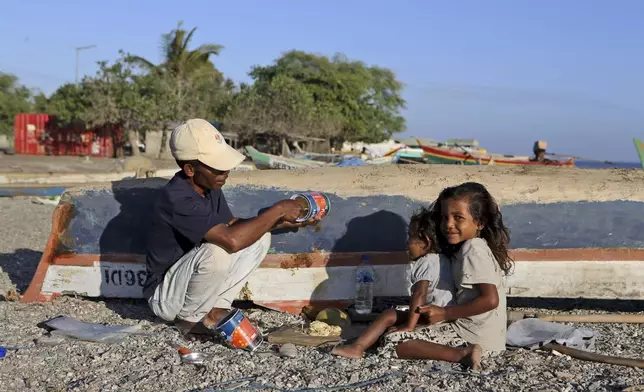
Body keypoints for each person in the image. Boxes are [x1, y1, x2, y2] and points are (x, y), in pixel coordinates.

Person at [143, 119, 317, 340]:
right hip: (166, 297)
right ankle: (188, 320)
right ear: (189, 169)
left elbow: (232, 226)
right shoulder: (178, 198)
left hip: (188, 285)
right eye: (217, 167)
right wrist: (278, 209)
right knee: (218, 251)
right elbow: (231, 240)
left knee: (260, 237)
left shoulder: (207, 186)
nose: (225, 171)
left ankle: (215, 309)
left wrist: (284, 221)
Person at [395, 182, 513, 370]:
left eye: (458, 217)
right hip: (475, 332)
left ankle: (464, 354)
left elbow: (491, 300)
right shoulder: (466, 249)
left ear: (480, 223)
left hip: (475, 337)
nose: (449, 225)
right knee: (397, 329)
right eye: (445, 217)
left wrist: (444, 313)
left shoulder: (473, 249)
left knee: (394, 343)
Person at [331, 206, 456, 359]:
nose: (407, 243)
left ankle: (358, 347)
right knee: (391, 316)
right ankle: (361, 342)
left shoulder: (426, 261)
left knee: (388, 316)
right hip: (440, 314)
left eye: (410, 237)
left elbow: (420, 293)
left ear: (426, 242)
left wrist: (409, 326)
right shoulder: (440, 259)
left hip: (435, 317)